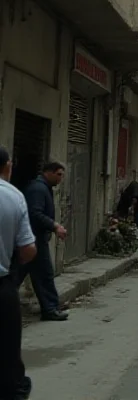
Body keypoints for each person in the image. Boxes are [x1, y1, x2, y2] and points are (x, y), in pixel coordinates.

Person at [0, 146, 37, 400]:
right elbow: (27, 250)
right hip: (1, 286)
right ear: (8, 166)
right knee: (7, 351)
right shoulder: (13, 196)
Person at [19, 159, 69, 321]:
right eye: (59, 175)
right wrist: (55, 226)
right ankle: (50, 309)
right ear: (49, 172)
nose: (60, 179)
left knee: (20, 275)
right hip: (34, 239)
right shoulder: (38, 189)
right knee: (44, 274)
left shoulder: (42, 188)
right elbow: (35, 214)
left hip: (32, 239)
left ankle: (51, 306)